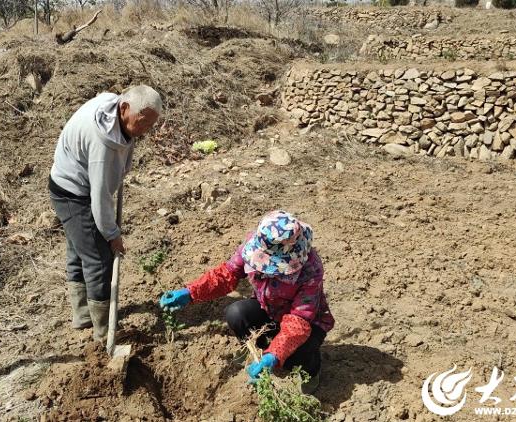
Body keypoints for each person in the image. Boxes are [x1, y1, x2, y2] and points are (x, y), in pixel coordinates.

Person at [159, 211, 334, 394]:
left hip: (306, 324)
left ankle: (311, 370)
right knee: (236, 314)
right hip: (269, 309)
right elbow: (228, 274)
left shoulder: (310, 270)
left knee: (294, 355)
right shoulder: (256, 244)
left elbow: (299, 321)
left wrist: (274, 355)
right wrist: (190, 292)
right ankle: (257, 353)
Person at [50, 85, 162, 341]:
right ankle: (104, 334)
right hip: (72, 192)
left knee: (80, 249)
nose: (146, 130)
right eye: (143, 122)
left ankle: (83, 316)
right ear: (124, 109)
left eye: (151, 125)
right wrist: (113, 235)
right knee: (99, 259)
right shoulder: (102, 143)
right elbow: (100, 199)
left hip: (75, 182)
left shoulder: (115, 108)